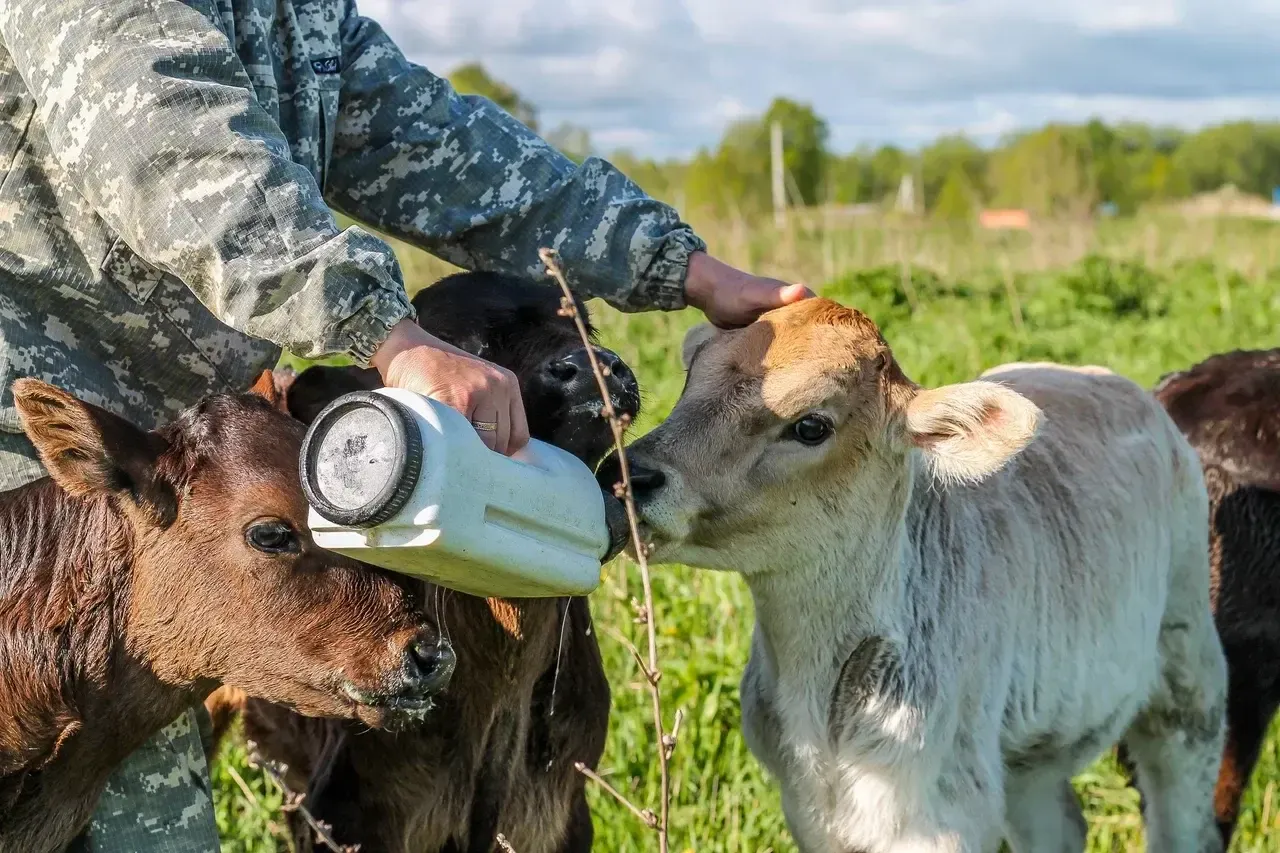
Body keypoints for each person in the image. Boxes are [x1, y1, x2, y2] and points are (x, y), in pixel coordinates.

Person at [0, 0, 812, 849]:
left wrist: (677, 265)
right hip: (35, 467)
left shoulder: (299, 14)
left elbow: (434, 143)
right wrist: (387, 334)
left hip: (182, 497)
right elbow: (171, 140)